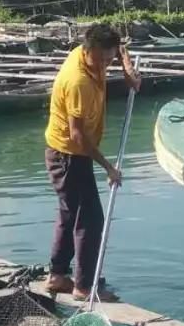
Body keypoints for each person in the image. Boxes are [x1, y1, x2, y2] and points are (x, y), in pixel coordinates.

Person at [43, 23, 140, 301]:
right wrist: (109, 168)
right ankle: (85, 287)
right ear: (88, 50)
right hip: (68, 154)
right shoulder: (78, 81)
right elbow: (77, 137)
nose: (104, 65)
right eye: (100, 60)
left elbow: (119, 49)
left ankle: (57, 275)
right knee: (90, 219)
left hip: (72, 152)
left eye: (109, 60)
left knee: (69, 213)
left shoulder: (98, 51)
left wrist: (127, 69)